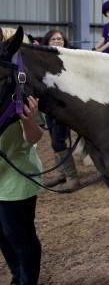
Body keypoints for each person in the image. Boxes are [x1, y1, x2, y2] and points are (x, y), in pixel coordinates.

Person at [0, 28, 45, 285]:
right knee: (3, 238)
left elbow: (35, 137)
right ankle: (18, 276)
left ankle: (27, 280)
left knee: (20, 237)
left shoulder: (18, 84)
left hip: (16, 178)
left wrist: (28, 121)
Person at [40, 30, 81, 191]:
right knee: (53, 140)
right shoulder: (43, 59)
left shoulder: (71, 58)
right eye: (53, 39)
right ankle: (61, 173)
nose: (57, 41)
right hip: (49, 105)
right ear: (47, 42)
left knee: (59, 141)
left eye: (59, 39)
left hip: (64, 106)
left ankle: (72, 178)